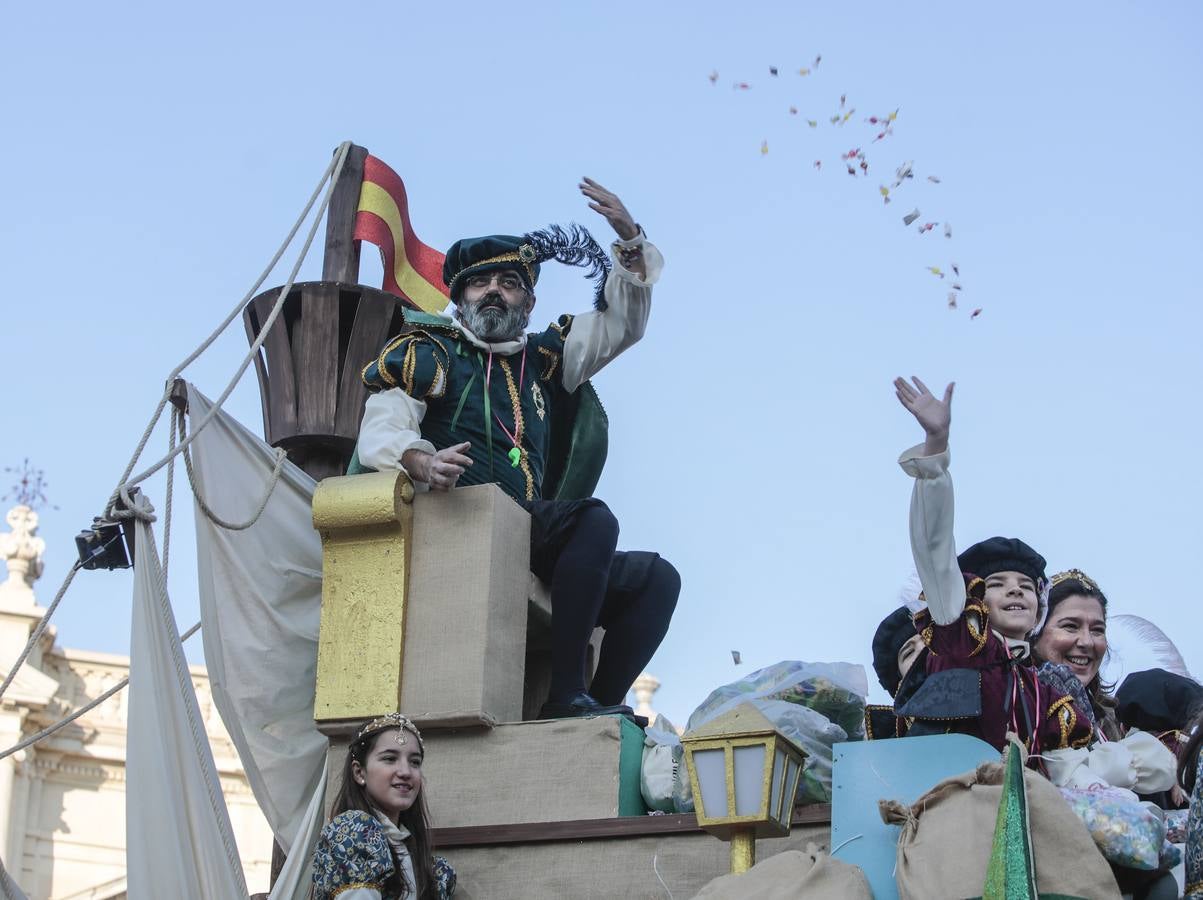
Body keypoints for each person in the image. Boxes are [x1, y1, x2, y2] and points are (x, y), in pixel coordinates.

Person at [357, 179, 679, 720]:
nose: (493, 292)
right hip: (459, 522)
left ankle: (596, 707)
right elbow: (382, 431)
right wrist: (421, 461)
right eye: (479, 283)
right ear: (459, 299)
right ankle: (565, 697)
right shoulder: (428, 351)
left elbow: (622, 325)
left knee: (657, 580)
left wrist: (629, 241)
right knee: (593, 520)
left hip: (531, 532)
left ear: (528, 304)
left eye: (509, 283)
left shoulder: (547, 357)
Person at [893, 376, 1101, 760]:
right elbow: (935, 550)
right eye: (998, 583)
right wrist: (936, 450)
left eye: (1025, 585)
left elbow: (1074, 764)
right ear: (975, 599)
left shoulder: (1044, 691)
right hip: (966, 809)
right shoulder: (960, 642)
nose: (1016, 590)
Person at [1033, 571, 1177, 797]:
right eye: (1070, 626)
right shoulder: (1020, 701)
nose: (1087, 641)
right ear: (1036, 631)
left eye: (1097, 630)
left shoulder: (1108, 717)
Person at [311, 713, 455, 900]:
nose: (405, 772)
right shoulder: (354, 832)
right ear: (359, 772)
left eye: (415, 762)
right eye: (389, 759)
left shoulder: (432, 869)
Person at [865, 604, 926, 739]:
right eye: (909, 652)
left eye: (928, 638)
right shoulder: (890, 746)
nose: (923, 649)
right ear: (899, 680)